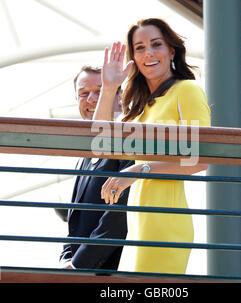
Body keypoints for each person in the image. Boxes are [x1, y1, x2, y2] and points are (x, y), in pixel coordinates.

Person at [93, 18, 211, 274]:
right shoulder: (140, 107)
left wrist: (136, 171)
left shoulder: (186, 91)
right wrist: (110, 88)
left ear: (171, 50)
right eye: (140, 47)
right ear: (133, 57)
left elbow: (201, 159)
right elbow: (99, 142)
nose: (148, 53)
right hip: (137, 217)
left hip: (165, 217)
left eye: (156, 44)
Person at [57, 65, 133, 270]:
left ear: (120, 96)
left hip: (113, 271)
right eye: (83, 93)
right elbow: (75, 222)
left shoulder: (127, 143)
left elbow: (118, 218)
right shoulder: (84, 155)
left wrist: (79, 265)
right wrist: (65, 261)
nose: (91, 99)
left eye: (100, 91)